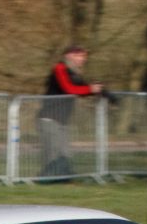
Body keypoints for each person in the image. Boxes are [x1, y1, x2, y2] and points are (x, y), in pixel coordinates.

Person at [36, 45, 102, 181]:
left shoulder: (75, 73)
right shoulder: (60, 68)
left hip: (61, 120)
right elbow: (68, 88)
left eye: (84, 56)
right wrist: (90, 89)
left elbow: (81, 89)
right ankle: (47, 180)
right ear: (69, 55)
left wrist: (99, 91)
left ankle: (65, 179)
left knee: (64, 153)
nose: (83, 59)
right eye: (79, 56)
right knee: (52, 153)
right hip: (49, 118)